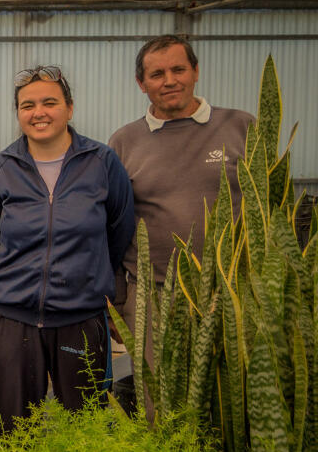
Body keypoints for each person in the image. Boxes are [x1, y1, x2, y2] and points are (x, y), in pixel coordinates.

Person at [0, 66, 135, 434]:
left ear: (69, 107)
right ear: (18, 113)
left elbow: (119, 230)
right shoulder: (2, 167)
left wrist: (91, 280)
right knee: (17, 431)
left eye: (49, 102)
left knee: (85, 431)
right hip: (12, 318)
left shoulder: (102, 162)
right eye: (27, 105)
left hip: (79, 318)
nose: (39, 112)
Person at [108, 35, 254, 345]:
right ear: (141, 83)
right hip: (152, 297)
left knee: (227, 393)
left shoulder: (241, 126)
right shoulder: (124, 141)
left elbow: (269, 211)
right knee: (155, 393)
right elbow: (113, 229)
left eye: (179, 70)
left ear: (196, 71)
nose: (170, 81)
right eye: (157, 74)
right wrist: (117, 304)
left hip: (233, 294)